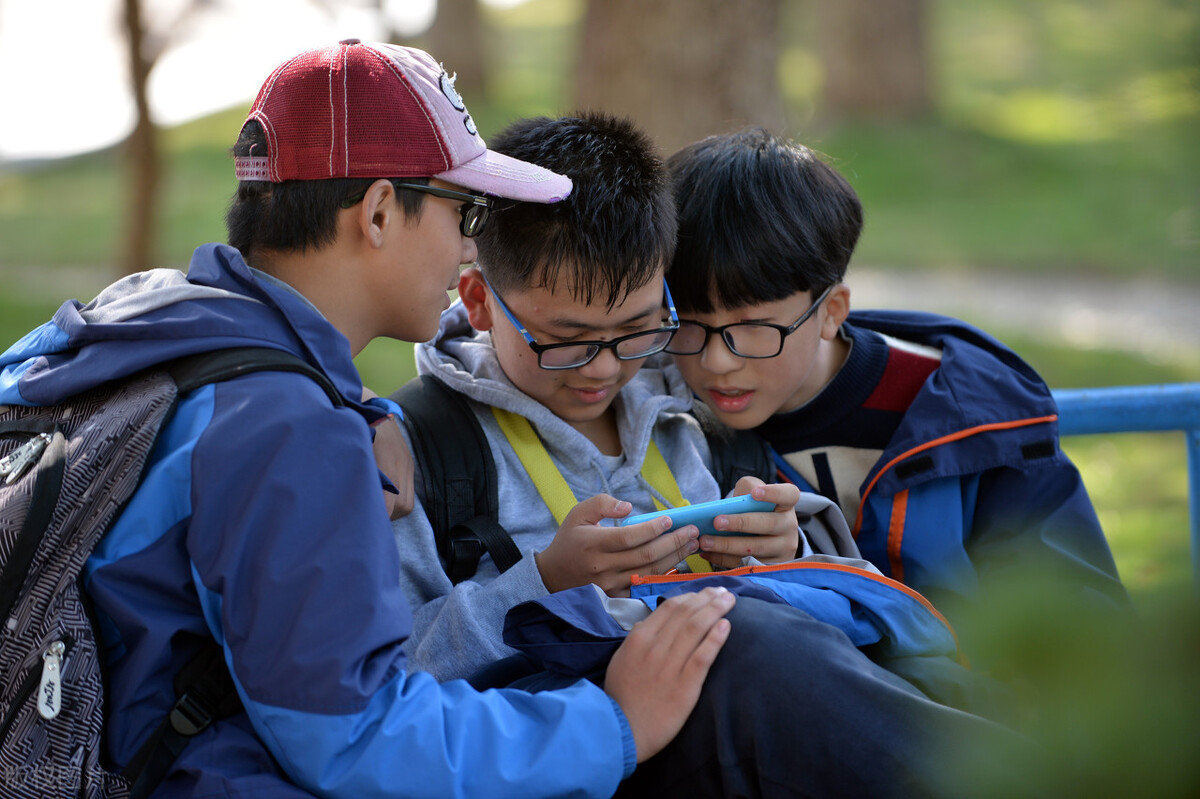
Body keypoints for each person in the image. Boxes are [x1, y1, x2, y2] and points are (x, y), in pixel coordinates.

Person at [0, 41, 740, 797]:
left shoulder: (155, 319)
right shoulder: (287, 429)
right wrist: (613, 723)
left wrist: (354, 410)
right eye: (463, 211)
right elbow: (355, 738)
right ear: (381, 211)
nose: (469, 248)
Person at [389, 111, 1048, 799]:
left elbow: (831, 595)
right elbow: (381, 684)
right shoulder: (419, 449)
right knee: (749, 644)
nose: (604, 368)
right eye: (567, 339)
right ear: (480, 300)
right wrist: (544, 582)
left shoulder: (691, 400)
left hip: (752, 735)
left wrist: (785, 547)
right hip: (579, 751)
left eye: (639, 328)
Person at [660, 127, 1129, 654]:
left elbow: (1079, 628)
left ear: (831, 312)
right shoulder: (659, 420)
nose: (716, 361)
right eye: (686, 323)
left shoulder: (976, 419)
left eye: (753, 327)